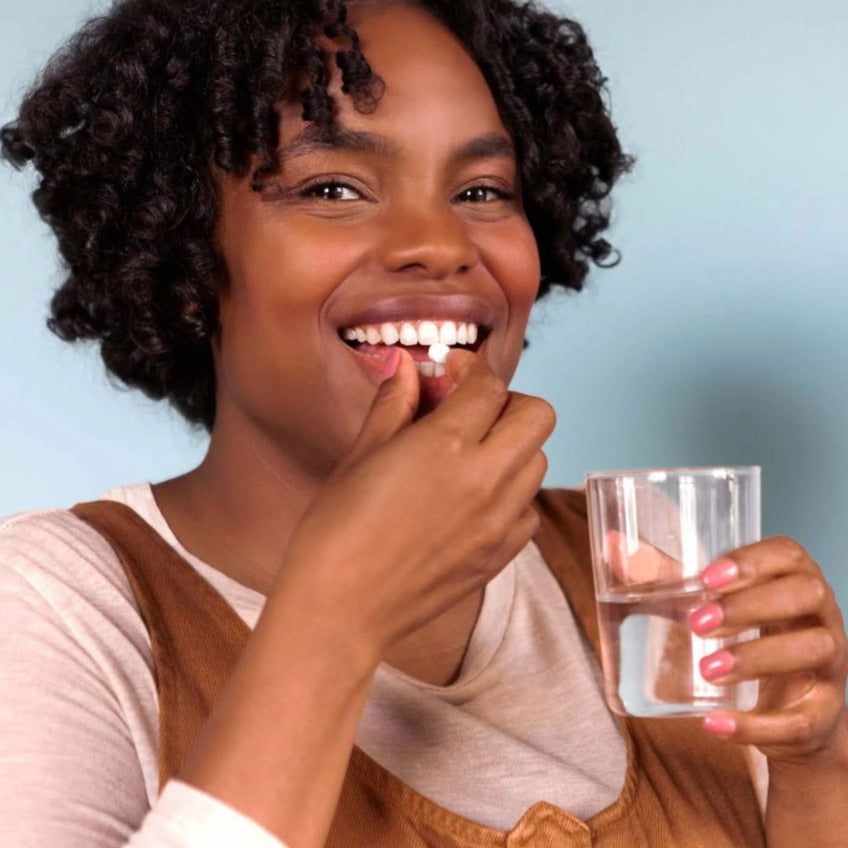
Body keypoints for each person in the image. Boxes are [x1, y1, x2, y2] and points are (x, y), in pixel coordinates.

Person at [1, 0, 846, 846]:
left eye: (481, 190)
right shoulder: (53, 610)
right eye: (333, 187)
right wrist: (337, 610)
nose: (440, 244)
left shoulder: (639, 567)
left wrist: (821, 768)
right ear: (183, 259)